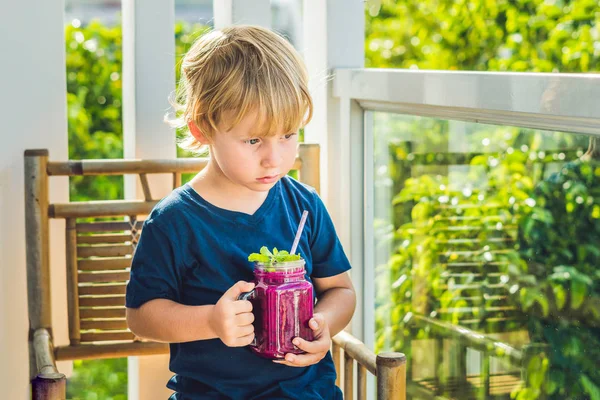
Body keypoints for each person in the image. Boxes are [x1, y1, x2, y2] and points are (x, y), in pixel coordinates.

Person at [125, 25, 356, 400]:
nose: (275, 158)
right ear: (202, 128)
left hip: (305, 392)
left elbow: (341, 290)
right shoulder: (173, 222)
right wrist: (211, 322)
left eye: (288, 135)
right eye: (253, 140)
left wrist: (324, 324)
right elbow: (142, 316)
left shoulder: (304, 207)